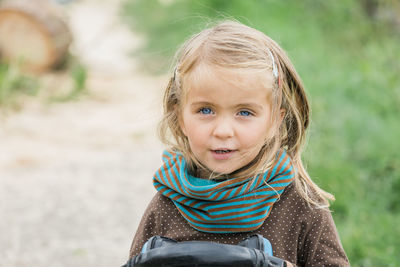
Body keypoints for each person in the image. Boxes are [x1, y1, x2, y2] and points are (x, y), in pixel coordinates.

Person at [128, 20, 349, 266]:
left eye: (244, 113)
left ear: (275, 120)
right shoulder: (168, 202)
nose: (223, 131)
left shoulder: (298, 202)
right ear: (179, 116)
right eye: (205, 110)